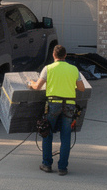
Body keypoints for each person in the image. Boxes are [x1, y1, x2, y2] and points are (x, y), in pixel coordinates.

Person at [29, 44, 88, 176]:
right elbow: (82, 88)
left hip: (53, 104)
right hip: (69, 106)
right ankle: (62, 168)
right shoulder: (73, 69)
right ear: (65, 56)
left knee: (47, 133)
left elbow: (38, 87)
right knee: (66, 136)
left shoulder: (48, 68)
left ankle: (47, 164)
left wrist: (30, 83)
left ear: (54, 55)